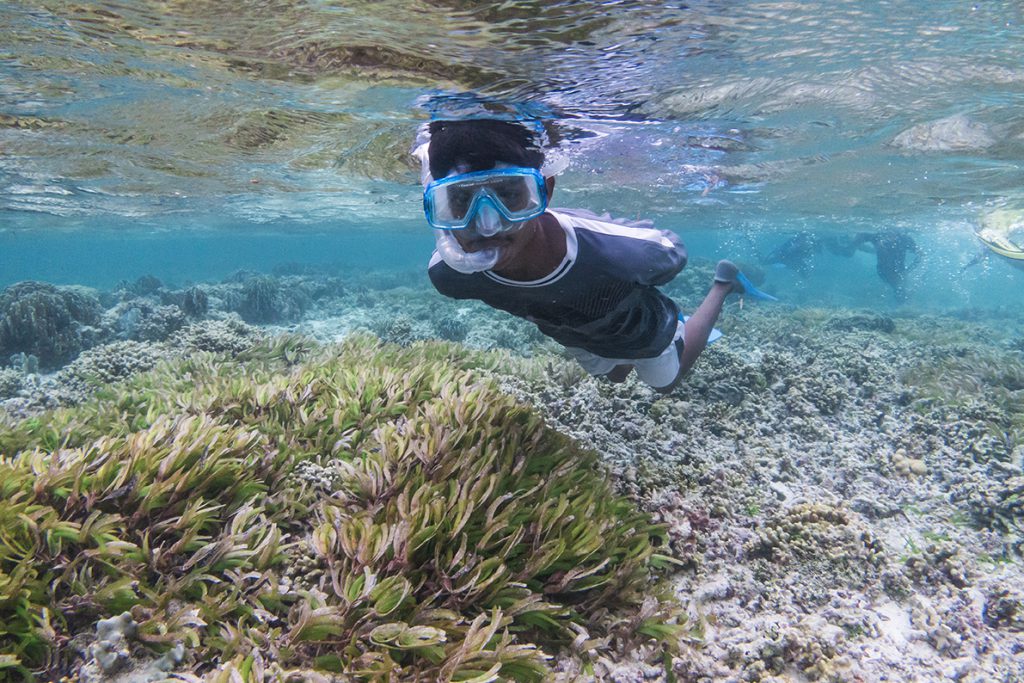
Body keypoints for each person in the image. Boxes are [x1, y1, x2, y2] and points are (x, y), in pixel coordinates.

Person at [416, 118, 756, 394]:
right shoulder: (450, 276)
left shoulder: (622, 254)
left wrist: (606, 234)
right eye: (461, 201)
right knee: (616, 376)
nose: (488, 225)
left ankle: (723, 284)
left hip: (643, 331)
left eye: (508, 195)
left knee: (665, 383)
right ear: (438, 208)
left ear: (545, 190)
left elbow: (671, 251)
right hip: (575, 336)